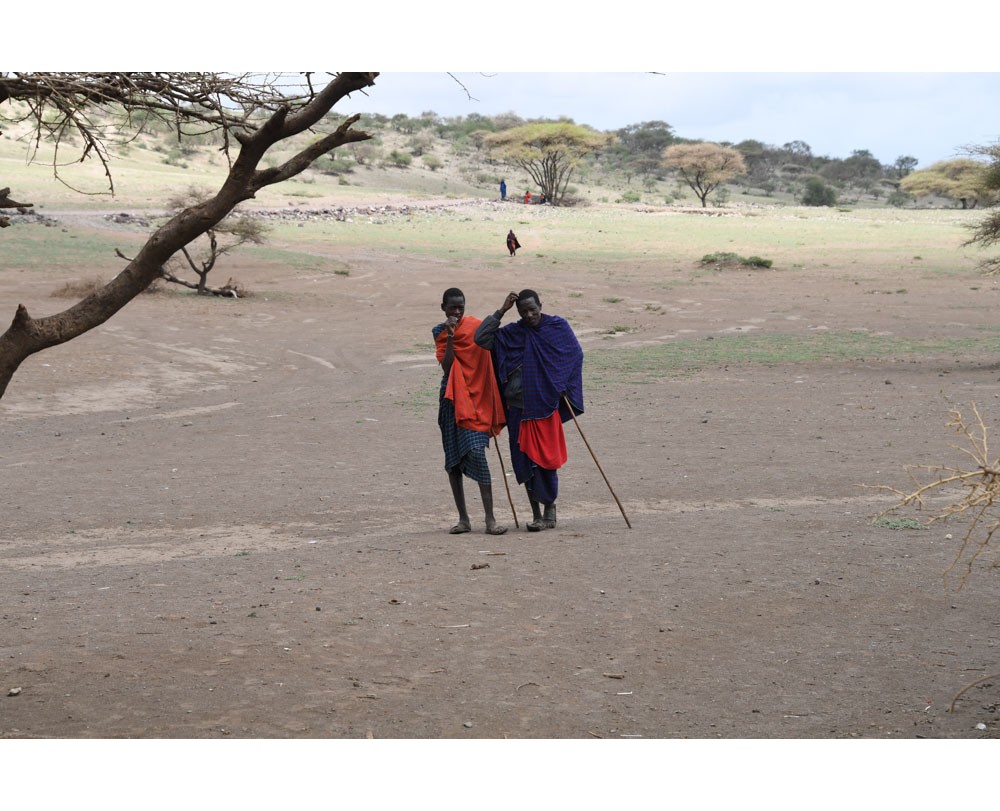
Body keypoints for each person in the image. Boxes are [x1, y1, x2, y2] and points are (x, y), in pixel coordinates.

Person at [475, 290, 584, 532]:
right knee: (524, 463)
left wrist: (560, 385)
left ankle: (550, 510)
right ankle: (536, 515)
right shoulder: (513, 333)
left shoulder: (557, 327)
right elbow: (481, 338)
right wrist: (501, 310)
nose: (529, 314)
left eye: (533, 309)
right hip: (518, 409)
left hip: (546, 407)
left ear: (540, 305)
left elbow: (575, 355)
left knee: (546, 462)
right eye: (523, 311)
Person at [433, 288, 508, 536]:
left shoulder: (475, 326)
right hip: (452, 399)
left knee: (477, 452)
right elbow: (447, 368)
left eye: (460, 307)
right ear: (443, 307)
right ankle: (464, 519)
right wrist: (452, 337)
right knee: (452, 461)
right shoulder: (440, 332)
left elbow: (490, 335)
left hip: (477, 397)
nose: (456, 311)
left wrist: (503, 308)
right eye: (452, 307)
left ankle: (490, 519)